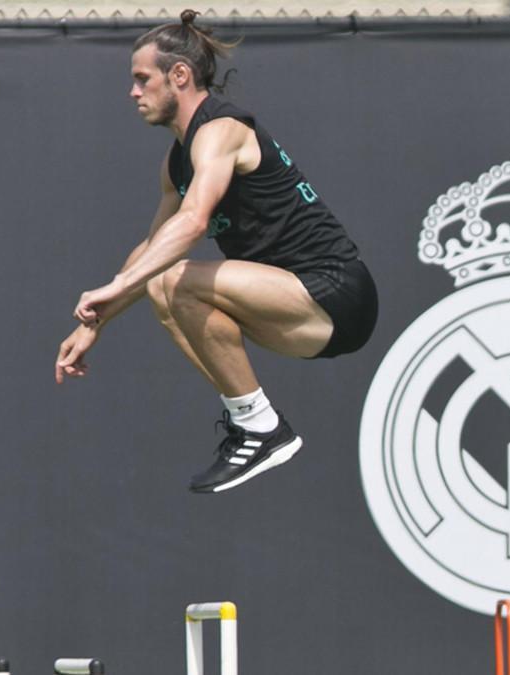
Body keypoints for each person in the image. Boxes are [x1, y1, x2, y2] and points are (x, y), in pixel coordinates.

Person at [56, 10, 377, 494]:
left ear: (179, 75)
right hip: (298, 312)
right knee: (167, 285)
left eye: (143, 79)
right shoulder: (176, 161)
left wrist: (117, 286)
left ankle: (262, 429)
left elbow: (193, 222)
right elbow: (153, 247)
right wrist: (92, 324)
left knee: (173, 281)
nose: (133, 93)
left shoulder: (221, 130)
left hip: (335, 293)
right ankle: (256, 425)